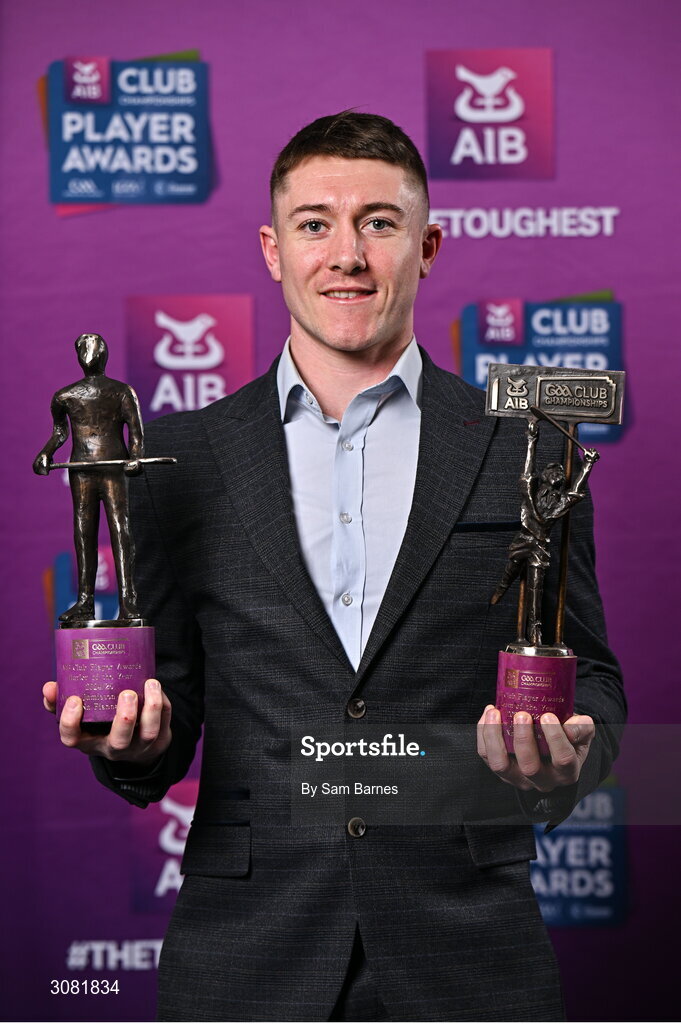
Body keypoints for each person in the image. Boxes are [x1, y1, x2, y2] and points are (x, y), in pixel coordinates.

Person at [43, 112, 625, 1022]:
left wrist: (570, 755)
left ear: (427, 245)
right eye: (315, 224)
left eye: (379, 223)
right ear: (273, 251)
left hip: (468, 953)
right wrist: (136, 745)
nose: (346, 254)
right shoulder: (181, 457)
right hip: (247, 953)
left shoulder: (527, 449)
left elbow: (587, 670)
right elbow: (169, 711)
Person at [33, 332, 144, 621]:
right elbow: (60, 433)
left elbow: (135, 433)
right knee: (84, 532)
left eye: (95, 349)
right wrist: (46, 453)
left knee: (121, 530)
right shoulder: (65, 396)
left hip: (112, 468)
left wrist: (134, 459)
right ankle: (84, 601)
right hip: (82, 470)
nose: (90, 355)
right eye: (85, 349)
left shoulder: (122, 392)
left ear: (105, 355)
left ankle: (128, 601)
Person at [491, 417, 599, 646]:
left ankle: (535, 632)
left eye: (560, 470)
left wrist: (588, 466)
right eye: (552, 469)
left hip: (540, 546)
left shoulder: (559, 500)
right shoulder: (533, 489)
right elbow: (527, 472)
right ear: (546, 475)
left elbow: (576, 493)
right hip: (523, 540)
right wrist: (532, 439)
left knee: (535, 591)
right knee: (509, 575)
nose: (557, 471)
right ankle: (499, 593)